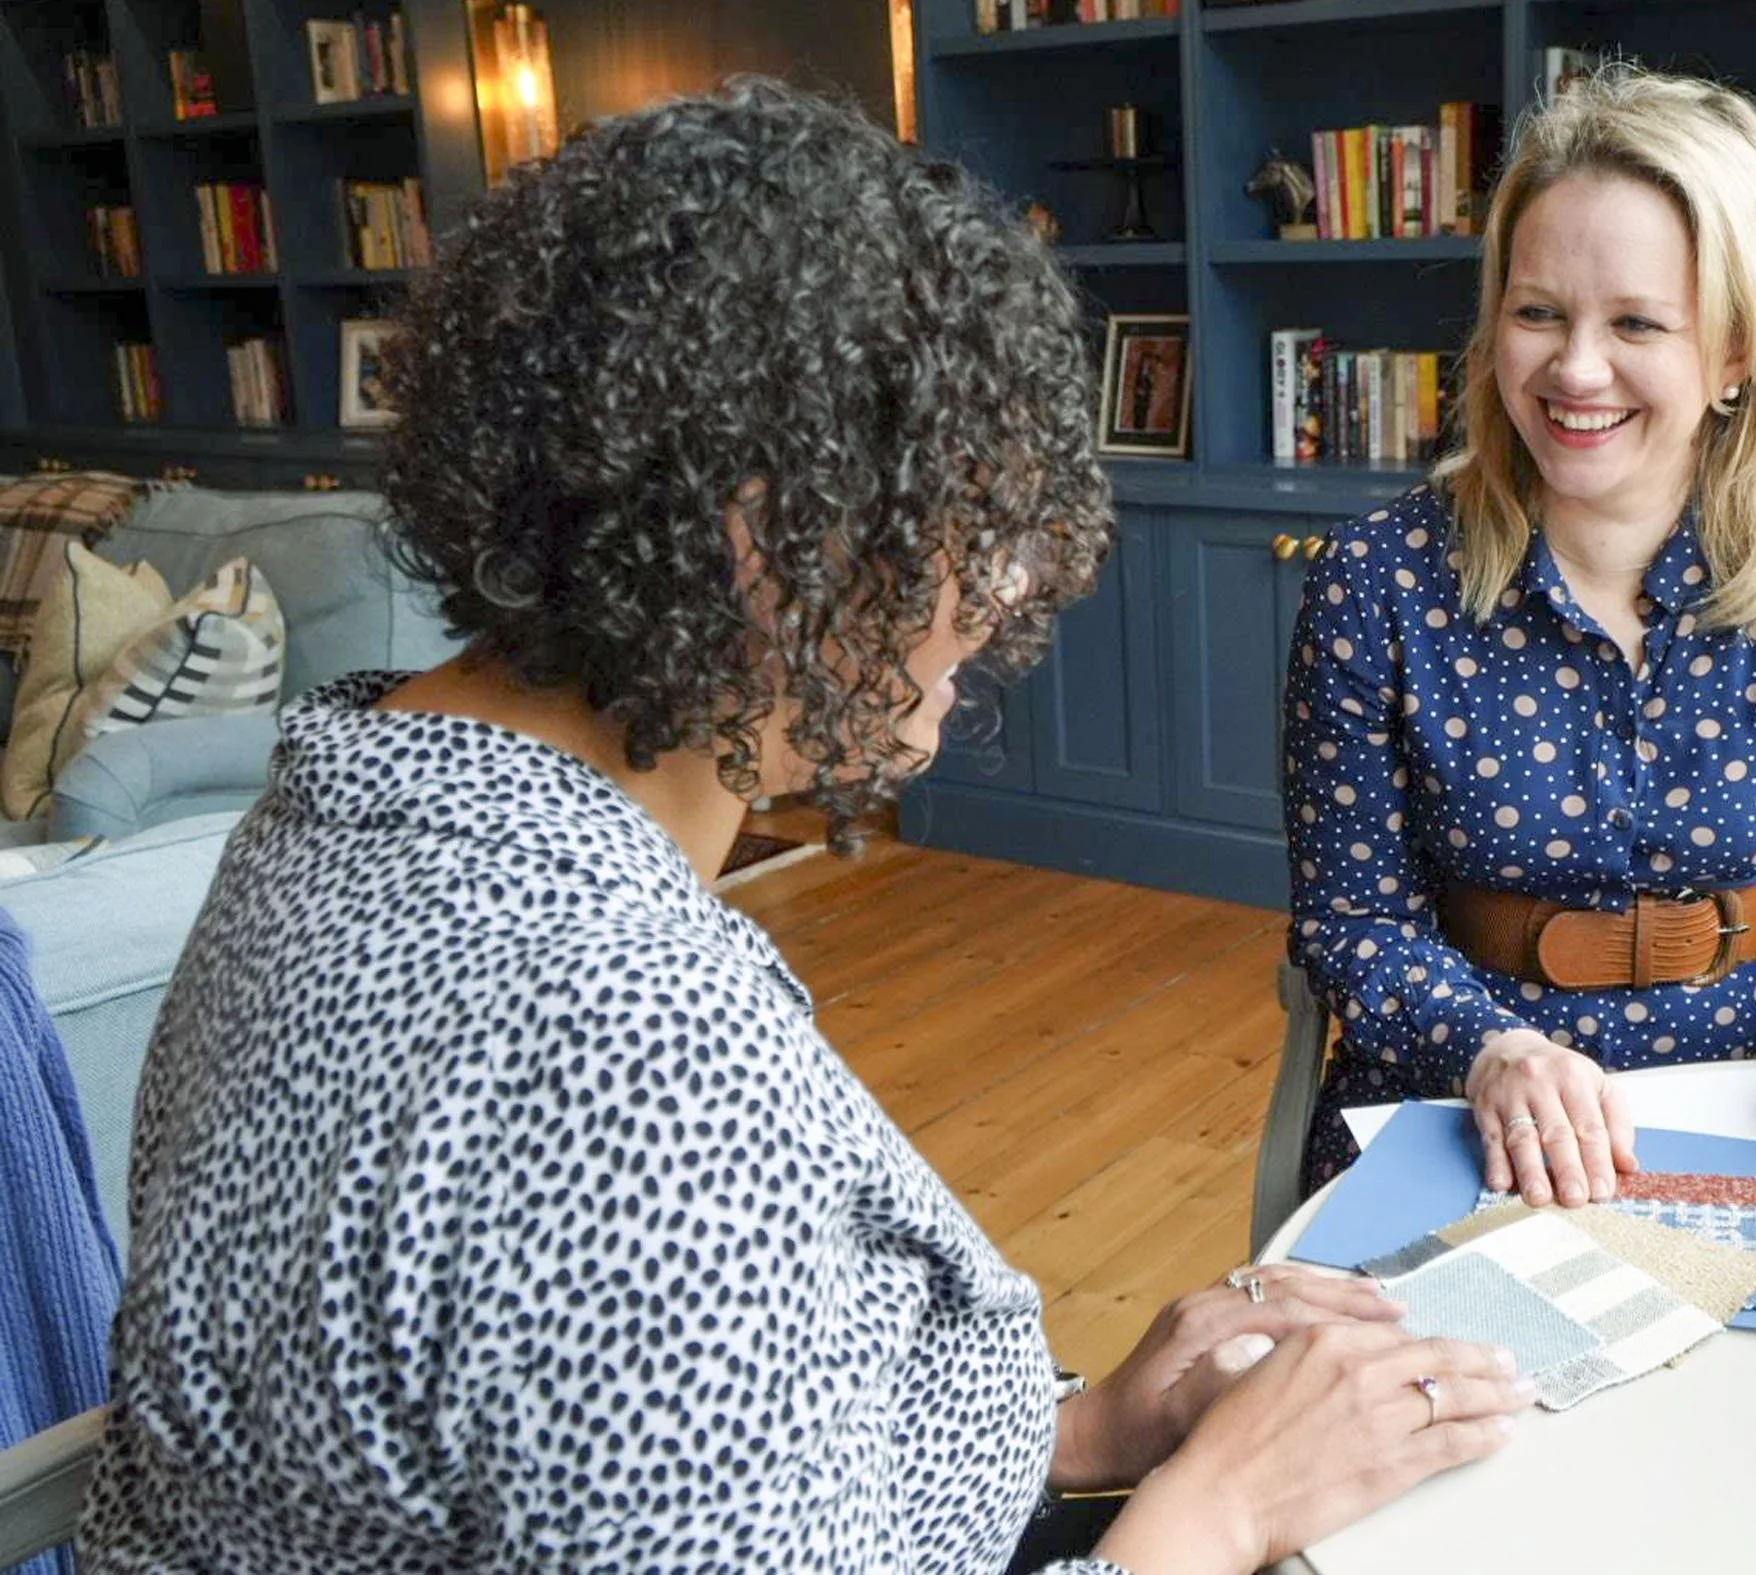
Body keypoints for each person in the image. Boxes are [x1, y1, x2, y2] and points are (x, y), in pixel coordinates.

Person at [76, 80, 1527, 1575]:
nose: (1016, 591)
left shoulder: (348, 797)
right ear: (775, 539)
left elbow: (632, 1427)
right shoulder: (619, 1052)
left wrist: (1078, 1431)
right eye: (987, 529)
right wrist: (1220, 1509)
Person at [1284, 65, 1756, 1215]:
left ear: (1738, 352)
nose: (1574, 370)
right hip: (1460, 1107)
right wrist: (1490, 1049)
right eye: (1537, 312)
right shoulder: (1377, 583)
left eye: (1638, 323)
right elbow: (1352, 921)